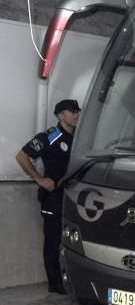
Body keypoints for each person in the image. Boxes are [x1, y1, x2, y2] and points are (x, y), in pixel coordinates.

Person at [15, 99, 81, 294]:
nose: (76, 115)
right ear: (60, 116)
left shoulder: (79, 138)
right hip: (53, 196)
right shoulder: (51, 136)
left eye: (77, 111)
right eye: (72, 111)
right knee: (52, 239)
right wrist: (38, 178)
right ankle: (55, 283)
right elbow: (22, 155)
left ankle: (70, 278)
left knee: (70, 238)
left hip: (72, 196)